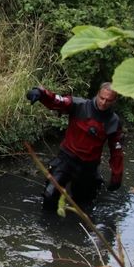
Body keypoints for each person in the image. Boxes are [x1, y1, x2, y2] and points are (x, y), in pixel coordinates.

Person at [26, 82, 124, 211]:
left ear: (114, 101)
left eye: (108, 100)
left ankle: (77, 229)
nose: (103, 103)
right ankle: (47, 228)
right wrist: (41, 93)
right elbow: (57, 101)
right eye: (102, 98)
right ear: (97, 94)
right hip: (67, 158)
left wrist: (116, 176)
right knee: (50, 196)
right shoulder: (79, 105)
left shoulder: (114, 122)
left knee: (83, 206)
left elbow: (116, 150)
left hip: (89, 166)